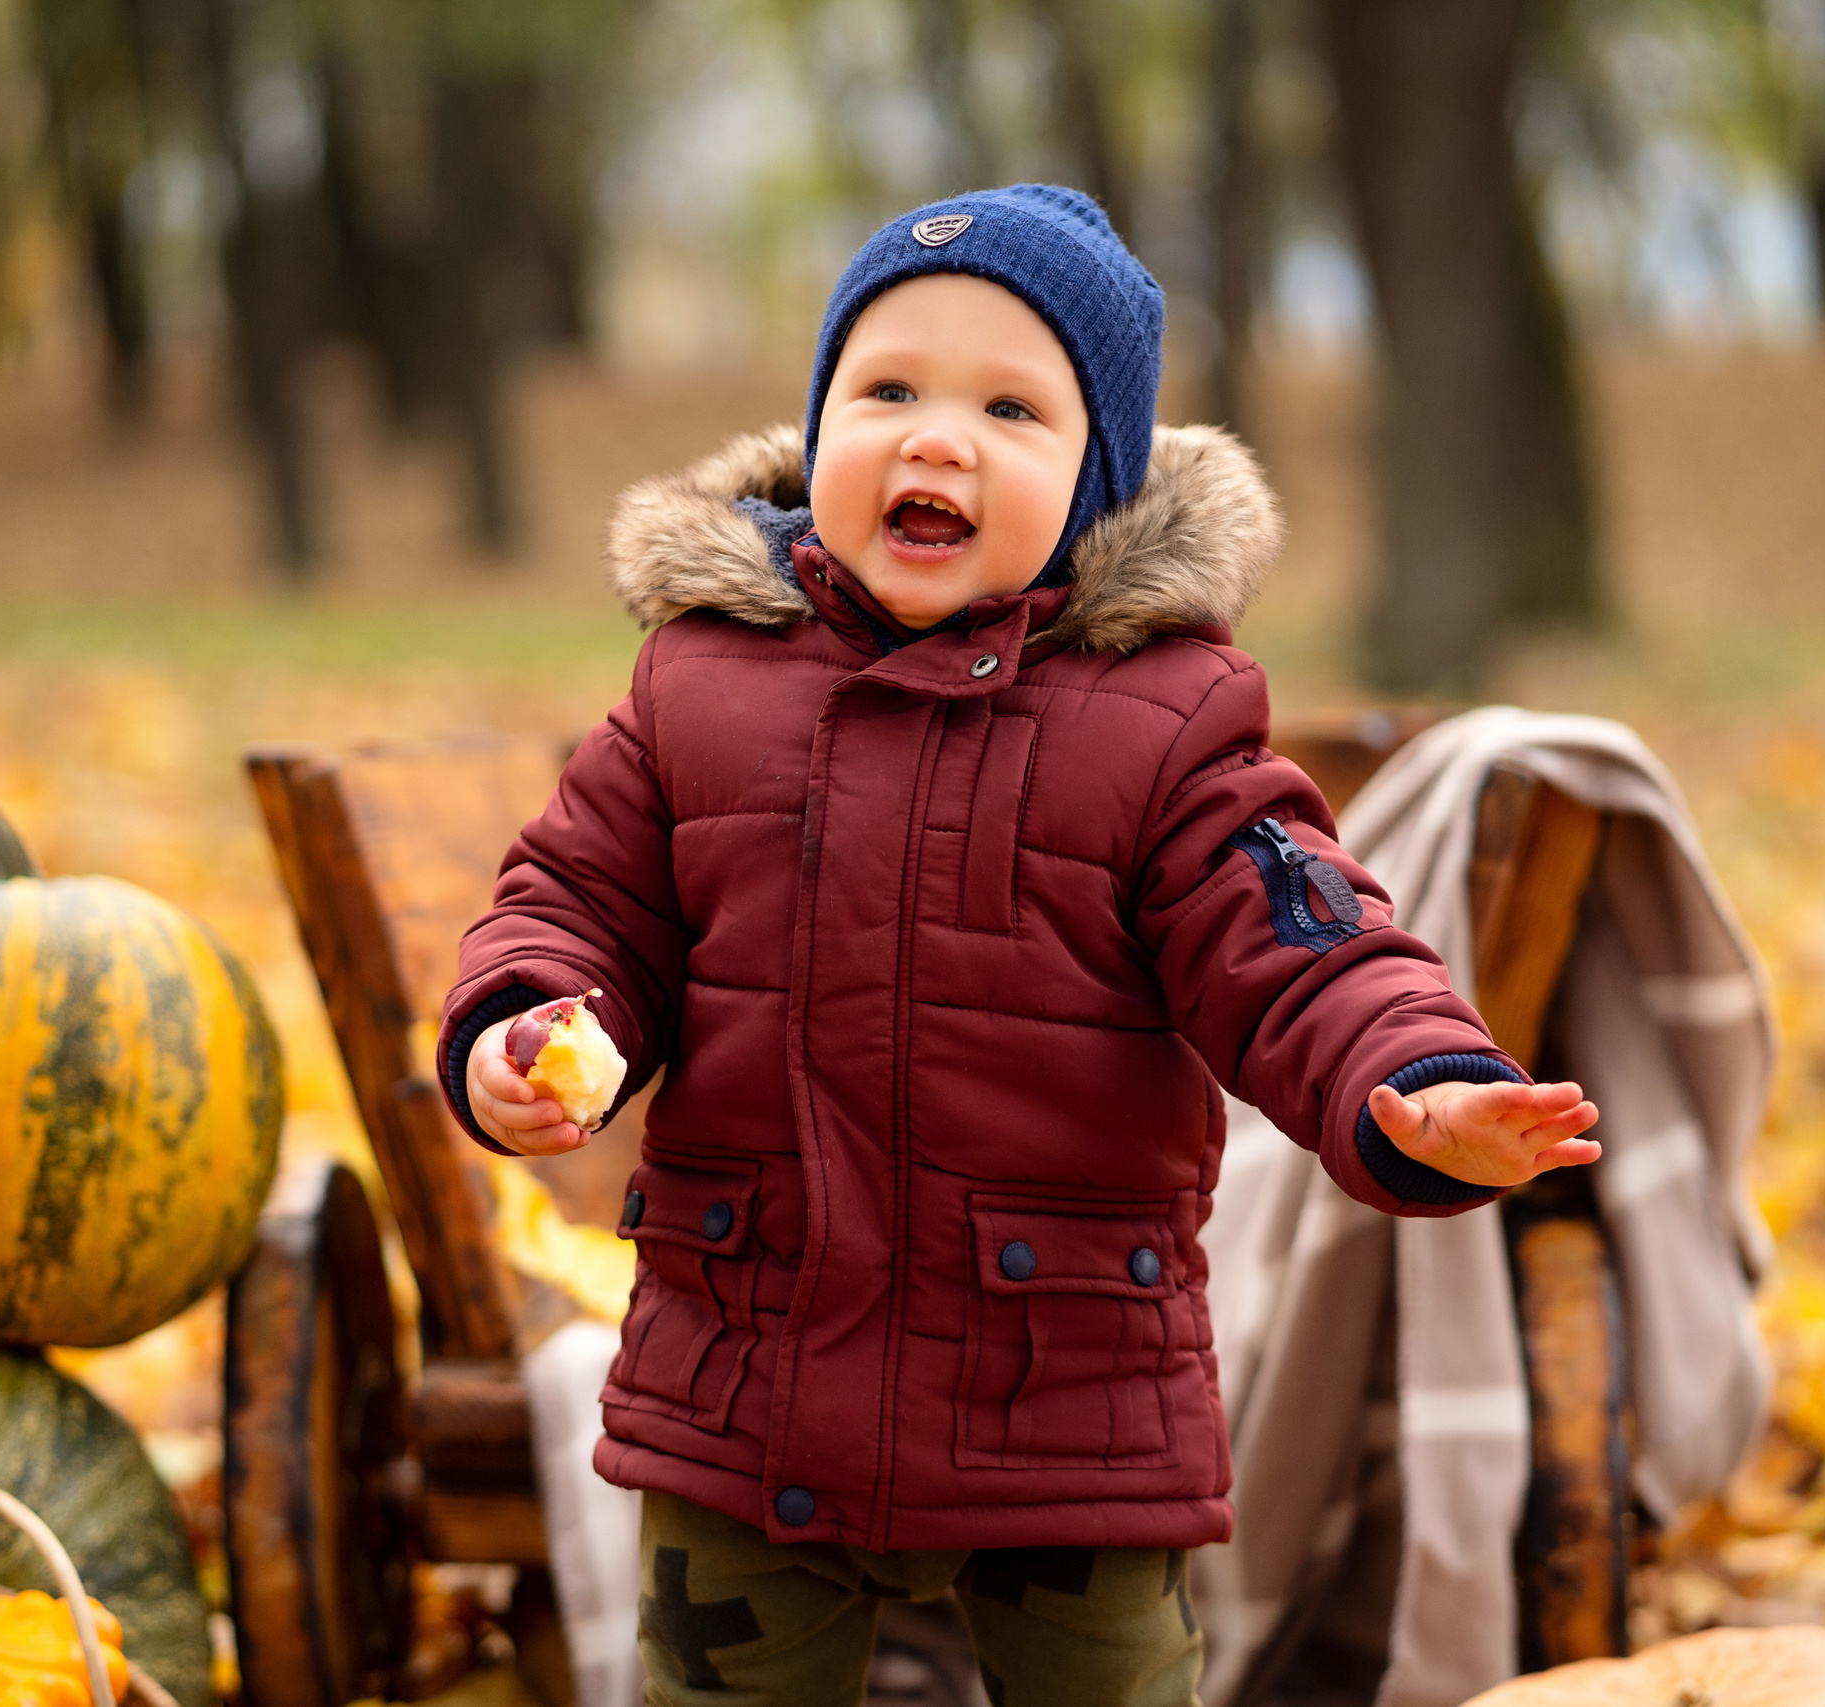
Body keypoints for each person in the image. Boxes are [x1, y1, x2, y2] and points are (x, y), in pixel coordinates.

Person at [437, 184, 1600, 1707]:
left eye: (1009, 406)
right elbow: (576, 898)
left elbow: (1301, 936)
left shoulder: (1164, 721)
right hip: (751, 1372)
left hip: (1061, 1390)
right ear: (818, 424)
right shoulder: (703, 685)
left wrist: (1417, 1075)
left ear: (1099, 483)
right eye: (889, 388)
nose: (935, 437)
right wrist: (524, 1024)